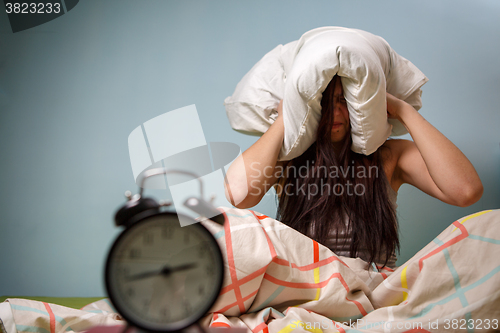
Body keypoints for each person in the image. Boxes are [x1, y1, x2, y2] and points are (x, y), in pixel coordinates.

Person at [223, 75, 483, 269]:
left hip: (377, 296)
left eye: (344, 101)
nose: (335, 112)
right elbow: (237, 194)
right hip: (311, 295)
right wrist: (285, 118)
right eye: (324, 103)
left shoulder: (389, 155)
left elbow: (465, 191)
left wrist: (403, 110)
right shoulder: (288, 160)